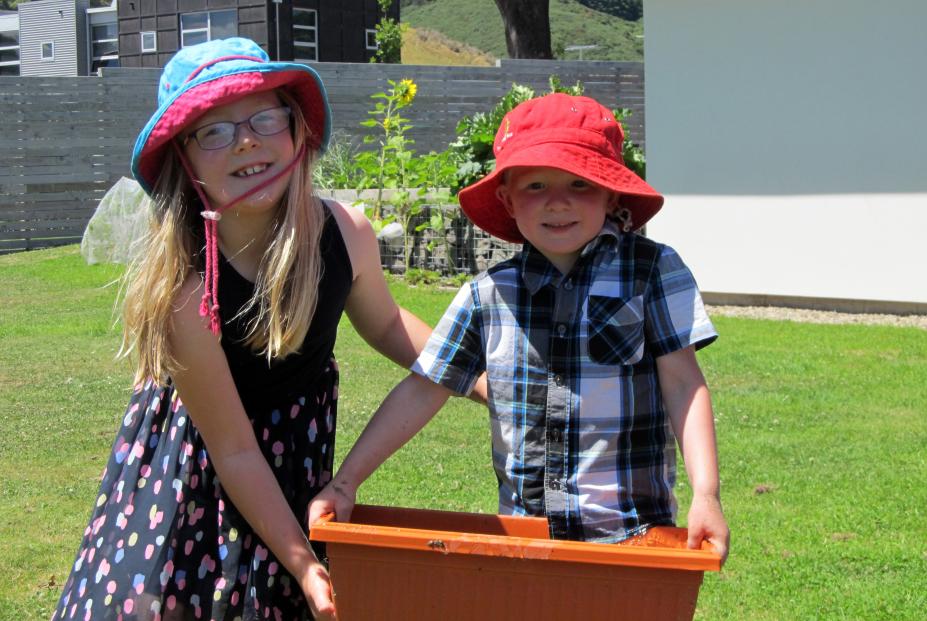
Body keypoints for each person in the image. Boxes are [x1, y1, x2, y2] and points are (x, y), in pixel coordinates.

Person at [52, 37, 452, 621]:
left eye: (265, 117)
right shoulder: (187, 289)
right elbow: (235, 450)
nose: (245, 139)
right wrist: (303, 563)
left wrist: (480, 376)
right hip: (198, 477)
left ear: (296, 132)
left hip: (294, 463)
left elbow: (389, 324)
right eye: (212, 130)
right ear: (183, 161)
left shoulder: (345, 233)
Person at [310, 93, 730, 562]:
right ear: (507, 199)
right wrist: (345, 482)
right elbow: (424, 387)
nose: (557, 203)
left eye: (579, 183)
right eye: (535, 186)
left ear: (611, 193)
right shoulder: (487, 294)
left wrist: (706, 494)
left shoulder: (652, 272)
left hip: (634, 537)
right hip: (527, 542)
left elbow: (684, 384)